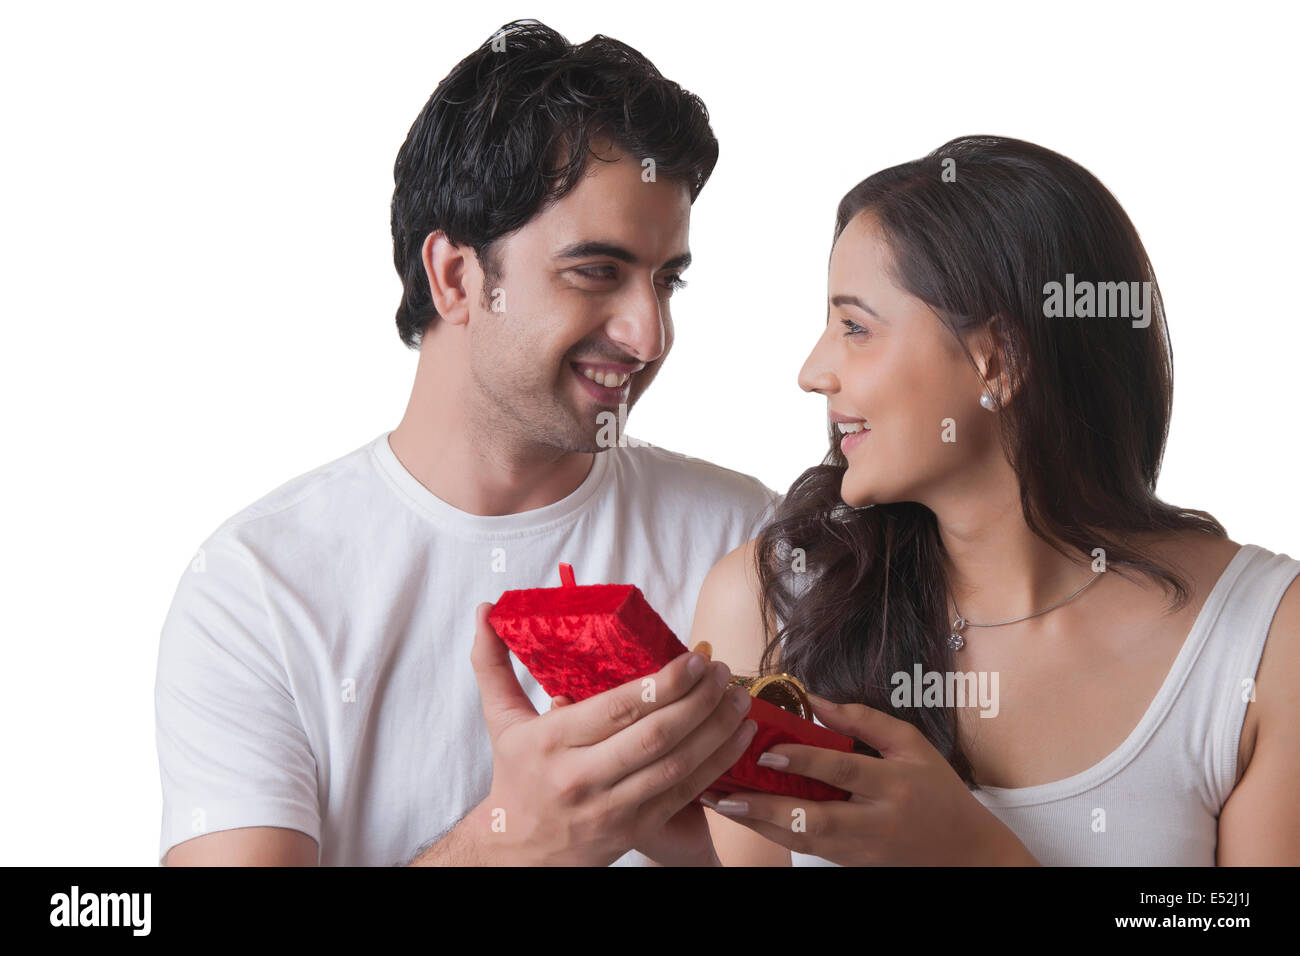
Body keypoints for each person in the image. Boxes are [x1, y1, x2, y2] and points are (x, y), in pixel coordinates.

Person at [155, 19, 776, 867]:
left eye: (667, 280)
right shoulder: (256, 592)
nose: (649, 333)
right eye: (596, 271)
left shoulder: (753, 545)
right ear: (454, 277)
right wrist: (512, 843)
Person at [692, 135, 1300, 866]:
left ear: (999, 361)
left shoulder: (1266, 639)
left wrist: (980, 858)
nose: (813, 371)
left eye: (855, 327)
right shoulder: (765, 605)